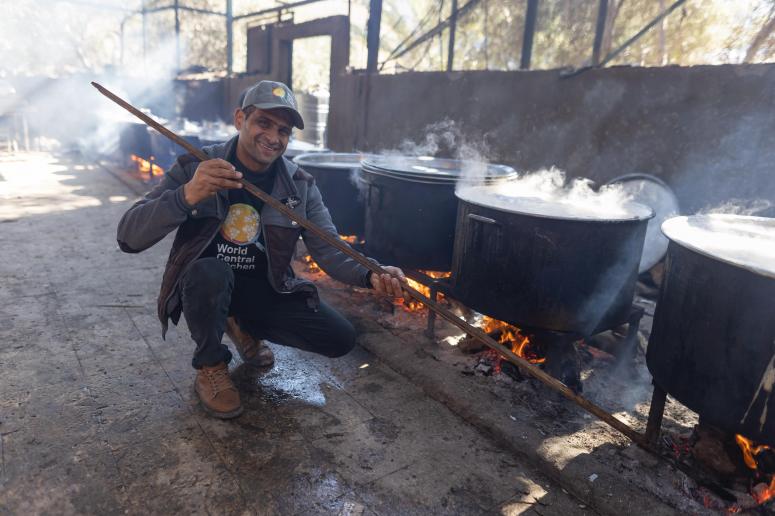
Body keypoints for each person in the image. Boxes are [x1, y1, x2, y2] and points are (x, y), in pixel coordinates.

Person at [116, 80, 406, 419]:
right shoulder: (196, 165)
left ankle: (242, 323)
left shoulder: (299, 186)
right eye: (263, 123)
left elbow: (330, 249)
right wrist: (187, 195)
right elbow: (128, 236)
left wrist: (371, 272)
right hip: (205, 284)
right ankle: (210, 362)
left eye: (283, 130)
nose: (273, 137)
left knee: (340, 338)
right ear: (240, 119)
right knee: (210, 272)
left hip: (264, 289)